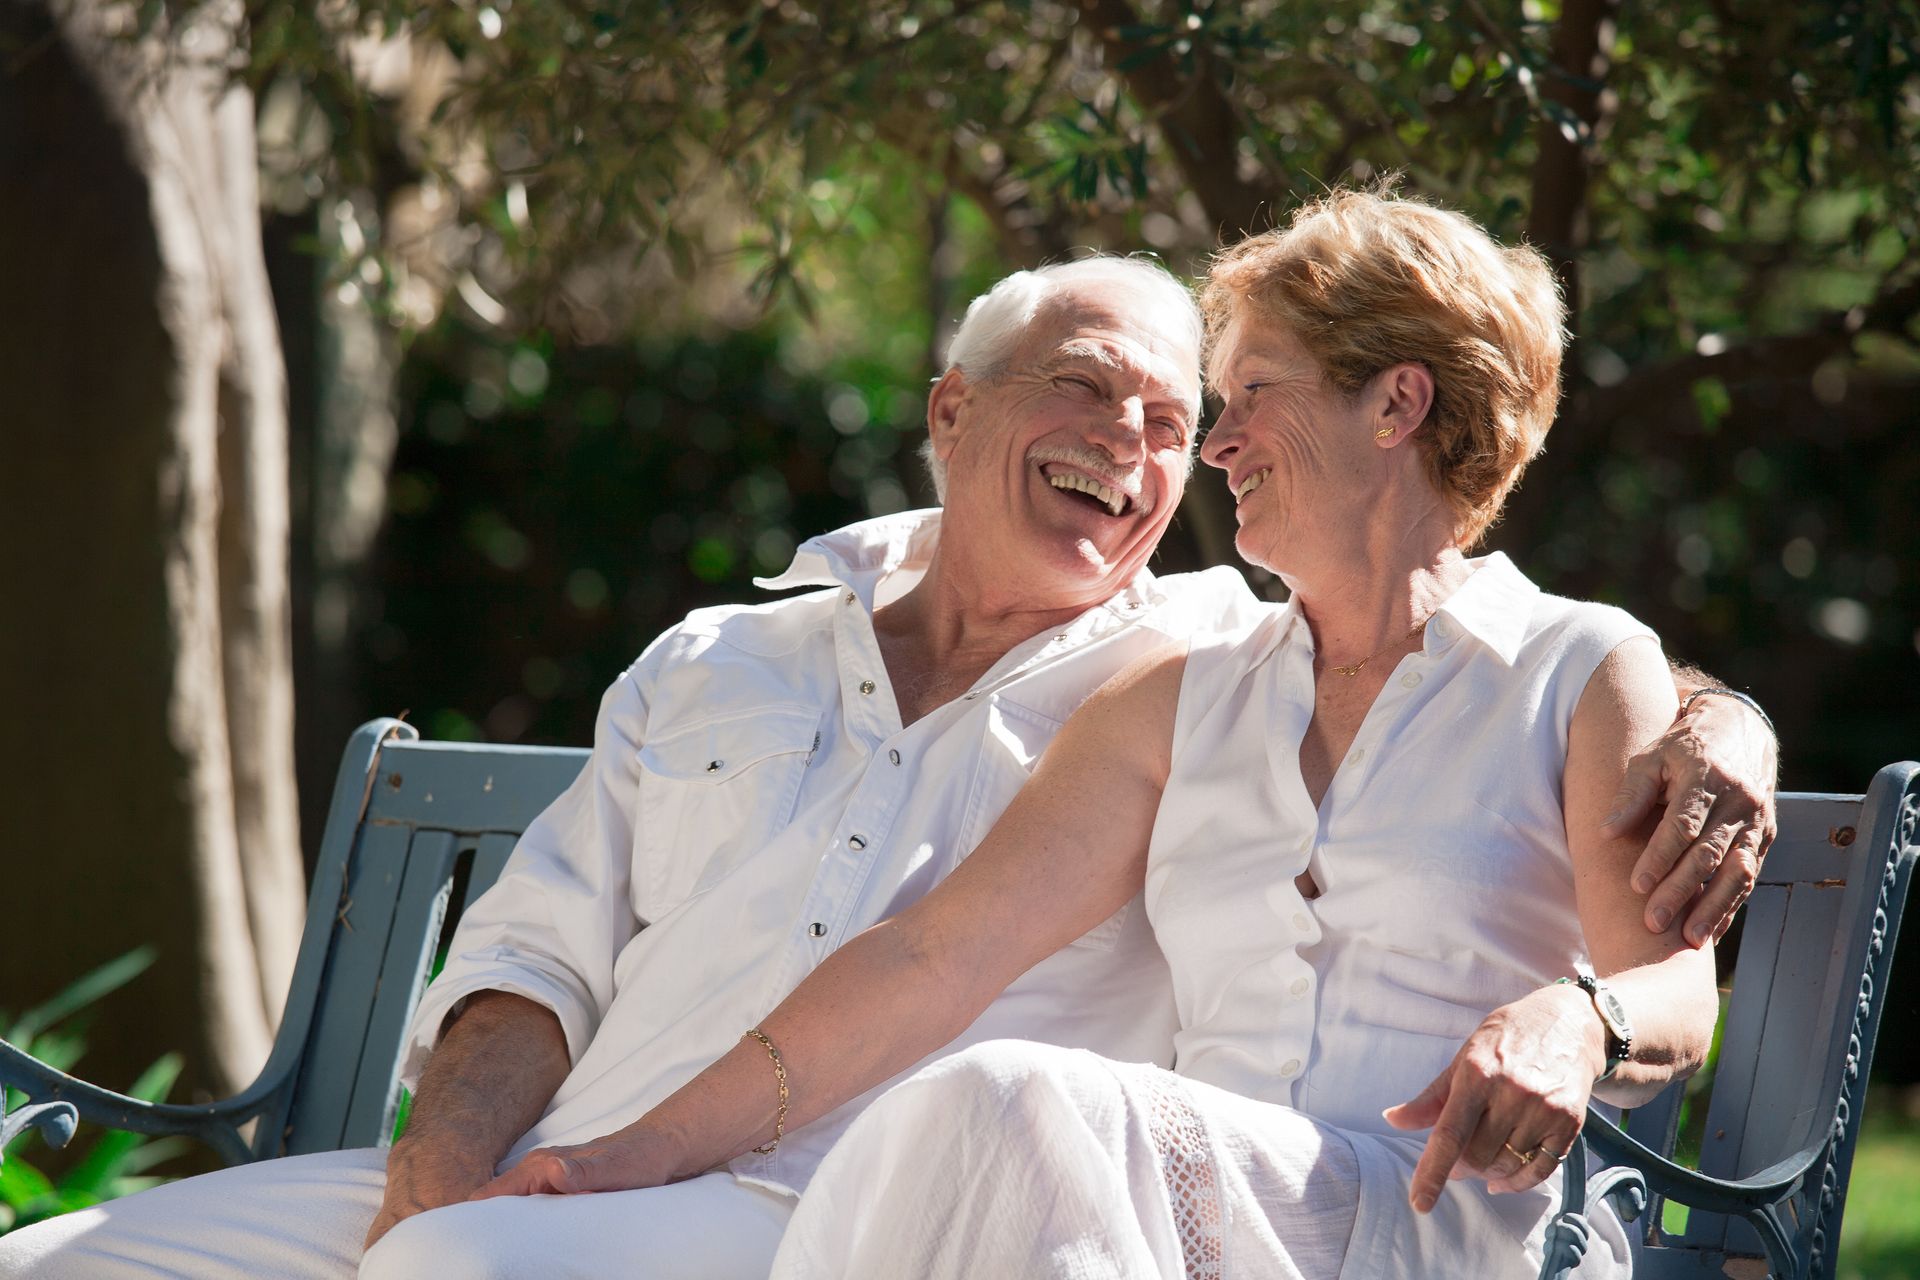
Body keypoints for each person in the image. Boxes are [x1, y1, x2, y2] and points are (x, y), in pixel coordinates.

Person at [0, 244, 1772, 1279]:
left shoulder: (1276, 648)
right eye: (1118, 399)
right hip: (665, 1173)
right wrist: (547, 1165)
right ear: (953, 410)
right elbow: (858, 963)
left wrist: (1661, 866)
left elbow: (1641, 913)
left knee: (980, 1109)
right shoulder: (1144, 683)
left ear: (1391, 406)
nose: (1184, 449)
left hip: (1066, 1216)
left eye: (1211, 410)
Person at [468, 189, 1731, 1279]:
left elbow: (1677, 987)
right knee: (973, 1121)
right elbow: (927, 960)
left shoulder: (1574, 664)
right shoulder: (1186, 694)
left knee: (1007, 1098)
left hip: (1426, 1223)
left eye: (1250, 396)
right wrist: (622, 1156)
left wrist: (1581, 1021)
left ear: (1396, 403)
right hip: (1161, 1228)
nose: (1215, 443)